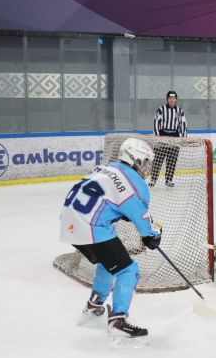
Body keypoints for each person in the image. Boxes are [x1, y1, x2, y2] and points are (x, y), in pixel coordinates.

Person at [60, 138, 162, 347]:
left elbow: (109, 199)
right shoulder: (134, 182)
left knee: (108, 263)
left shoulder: (106, 168)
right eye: (145, 162)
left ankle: (93, 307)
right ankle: (118, 322)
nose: (147, 168)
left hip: (69, 223)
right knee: (128, 270)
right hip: (91, 228)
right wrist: (153, 234)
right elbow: (143, 221)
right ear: (134, 159)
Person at [150, 90, 187, 187]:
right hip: (162, 136)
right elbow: (156, 123)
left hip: (174, 137)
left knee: (172, 160)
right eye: (170, 98)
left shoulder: (180, 111)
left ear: (176, 99)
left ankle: (169, 180)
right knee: (158, 159)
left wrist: (183, 138)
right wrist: (157, 137)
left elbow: (183, 124)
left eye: (174, 98)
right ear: (167, 99)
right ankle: (153, 179)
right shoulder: (161, 110)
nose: (172, 100)